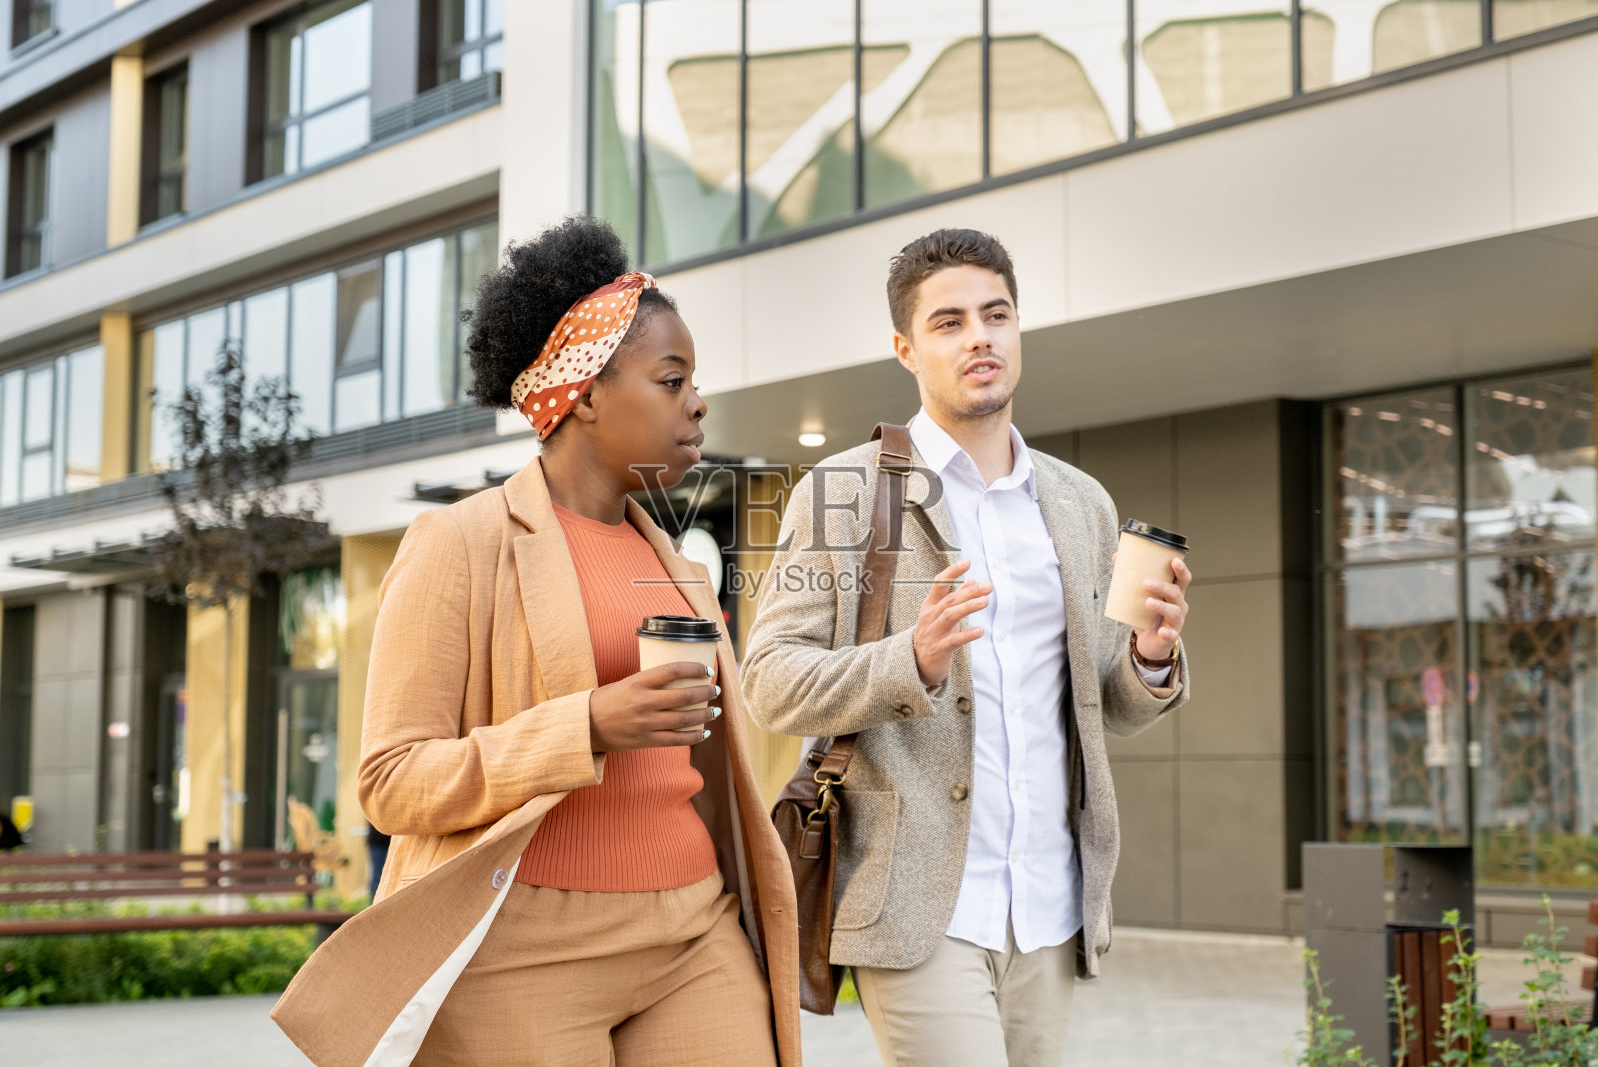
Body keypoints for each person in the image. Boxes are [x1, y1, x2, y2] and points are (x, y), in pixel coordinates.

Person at [272, 217, 798, 1067]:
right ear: (586, 393)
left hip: (694, 927)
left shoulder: (683, 567)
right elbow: (391, 782)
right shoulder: (459, 542)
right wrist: (585, 723)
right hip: (522, 947)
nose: (697, 401)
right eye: (672, 379)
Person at [741, 228, 1193, 1066]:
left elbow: (1107, 706)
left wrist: (1151, 659)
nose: (979, 336)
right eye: (949, 322)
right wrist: (910, 662)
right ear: (906, 349)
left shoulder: (1080, 503)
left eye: (997, 314)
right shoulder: (843, 491)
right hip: (918, 906)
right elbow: (768, 681)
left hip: (1052, 907)